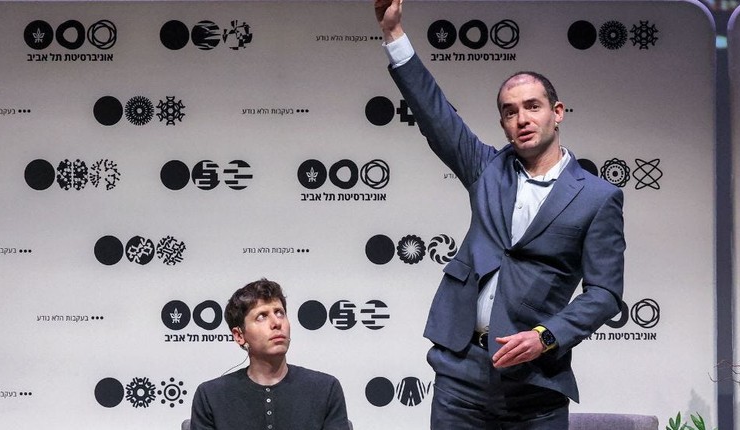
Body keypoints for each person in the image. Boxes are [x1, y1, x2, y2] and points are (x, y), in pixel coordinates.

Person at [374, 0, 626, 428]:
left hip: (535, 381)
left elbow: (604, 293)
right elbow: (436, 115)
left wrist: (546, 337)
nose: (522, 119)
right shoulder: (486, 169)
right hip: (461, 373)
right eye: (510, 112)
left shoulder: (598, 197)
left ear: (557, 113)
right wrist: (394, 33)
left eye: (532, 106)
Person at [190, 279, 349, 430]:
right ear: (239, 335)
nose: (276, 323)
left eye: (279, 313)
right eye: (262, 316)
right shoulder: (211, 396)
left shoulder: (325, 389)